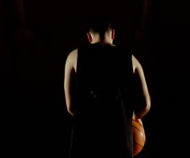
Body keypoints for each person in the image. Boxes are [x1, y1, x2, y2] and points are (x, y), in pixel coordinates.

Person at [64, 15, 151, 158]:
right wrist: (131, 117)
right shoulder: (131, 58)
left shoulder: (74, 56)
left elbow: (71, 106)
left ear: (89, 37)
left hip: (85, 140)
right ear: (113, 34)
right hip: (120, 140)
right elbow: (146, 105)